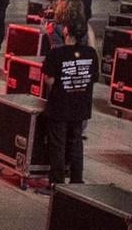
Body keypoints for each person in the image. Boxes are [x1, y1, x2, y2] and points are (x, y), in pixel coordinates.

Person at [38, 11, 97, 188]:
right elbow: (93, 78)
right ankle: (77, 180)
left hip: (60, 105)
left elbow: (49, 80)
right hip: (81, 105)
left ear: (65, 31)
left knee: (58, 144)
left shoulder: (57, 54)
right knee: (76, 142)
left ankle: (56, 183)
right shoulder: (91, 53)